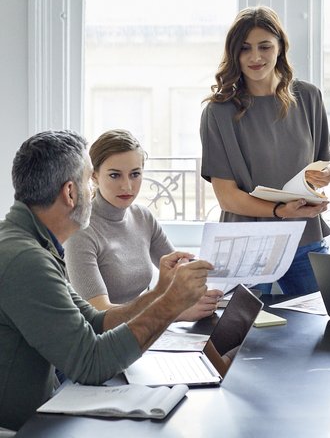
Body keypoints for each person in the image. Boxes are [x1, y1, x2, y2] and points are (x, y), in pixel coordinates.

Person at [0, 130, 212, 431]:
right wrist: (171, 304)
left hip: (42, 413)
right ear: (70, 193)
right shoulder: (25, 259)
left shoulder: (31, 244)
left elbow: (96, 321)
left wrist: (163, 293)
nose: (94, 191)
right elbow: (91, 364)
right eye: (90, 180)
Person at [200, 6, 330, 296]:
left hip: (305, 236)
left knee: (323, 329)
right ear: (234, 53)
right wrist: (279, 211)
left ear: (281, 48)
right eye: (245, 48)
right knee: (242, 335)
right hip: (246, 244)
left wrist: (321, 178)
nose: (255, 57)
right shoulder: (219, 112)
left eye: (265, 46)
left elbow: (320, 166)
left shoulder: (309, 97)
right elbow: (227, 197)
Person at [65, 129, 221, 319]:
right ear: (94, 176)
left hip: (137, 331)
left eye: (135, 174)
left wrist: (207, 288)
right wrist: (173, 312)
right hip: (97, 339)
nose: (127, 186)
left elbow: (179, 273)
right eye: (115, 175)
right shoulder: (80, 232)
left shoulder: (142, 217)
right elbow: (99, 313)